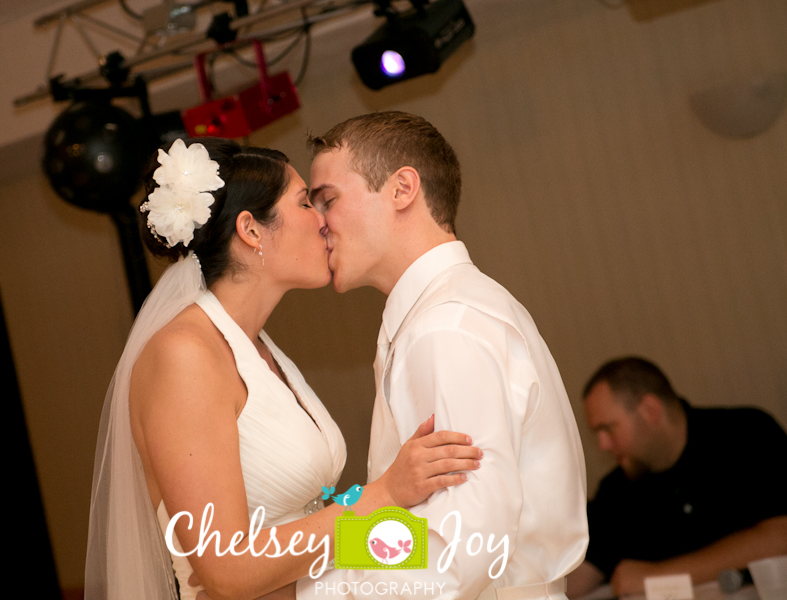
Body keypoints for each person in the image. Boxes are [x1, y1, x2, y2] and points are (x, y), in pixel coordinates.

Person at [83, 138, 483, 600]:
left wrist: (436, 549)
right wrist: (384, 493)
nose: (324, 220)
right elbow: (226, 570)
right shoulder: (184, 353)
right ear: (251, 230)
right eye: (304, 203)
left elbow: (305, 532)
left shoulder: (258, 348)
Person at [242, 111, 589, 600]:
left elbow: (460, 552)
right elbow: (424, 536)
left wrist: (303, 590)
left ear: (402, 189)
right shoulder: (441, 314)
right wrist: (316, 547)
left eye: (329, 201)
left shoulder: (446, 328)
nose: (317, 224)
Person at [566, 357, 787, 598]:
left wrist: (660, 574)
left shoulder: (747, 434)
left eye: (608, 428)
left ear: (650, 410)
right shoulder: (617, 490)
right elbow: (579, 576)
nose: (602, 445)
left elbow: (780, 535)